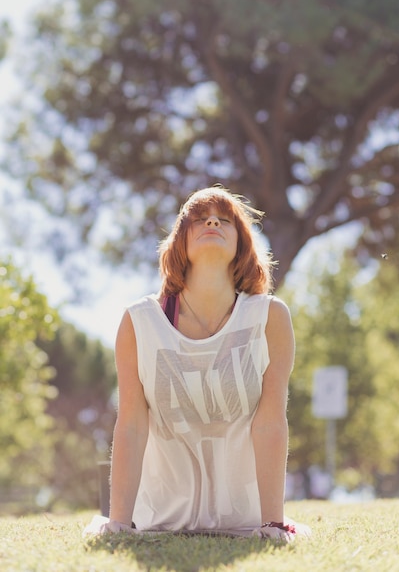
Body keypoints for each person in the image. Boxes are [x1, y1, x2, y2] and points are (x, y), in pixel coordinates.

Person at [86, 186, 310, 541]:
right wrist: (119, 524)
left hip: (247, 523)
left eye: (225, 220)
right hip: (158, 522)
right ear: (179, 241)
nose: (211, 221)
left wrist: (272, 524)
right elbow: (130, 425)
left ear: (241, 243)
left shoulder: (269, 317)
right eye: (199, 218)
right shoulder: (138, 322)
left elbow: (270, 423)